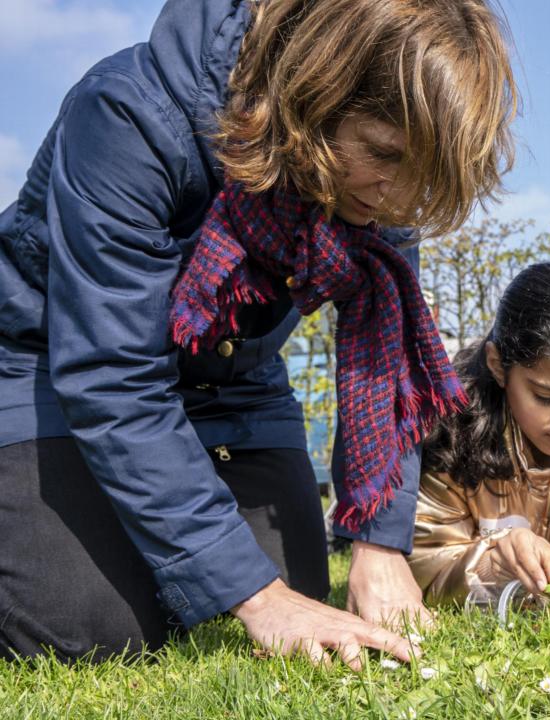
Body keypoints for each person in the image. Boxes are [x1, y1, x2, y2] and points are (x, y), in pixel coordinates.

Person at [0, 0, 516, 666]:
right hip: (45, 369)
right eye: (384, 153)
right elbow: (112, 374)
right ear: (316, 89)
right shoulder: (128, 115)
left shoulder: (388, 185)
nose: (399, 200)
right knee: (90, 628)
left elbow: (386, 360)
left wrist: (381, 545)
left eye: (423, 171)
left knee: (299, 589)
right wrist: (257, 597)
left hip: (229, 384)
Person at [409, 262, 550, 605]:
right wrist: (495, 561)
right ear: (496, 365)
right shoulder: (448, 429)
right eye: (547, 397)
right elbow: (424, 565)